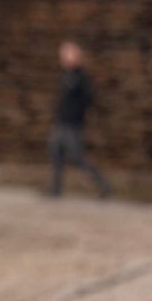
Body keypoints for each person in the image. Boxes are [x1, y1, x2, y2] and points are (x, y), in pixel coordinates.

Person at [49, 41, 111, 197]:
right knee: (56, 153)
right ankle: (56, 189)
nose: (64, 59)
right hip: (61, 122)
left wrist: (78, 114)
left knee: (78, 158)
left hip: (73, 124)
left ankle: (103, 185)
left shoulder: (81, 77)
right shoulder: (65, 76)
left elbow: (88, 99)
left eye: (67, 55)